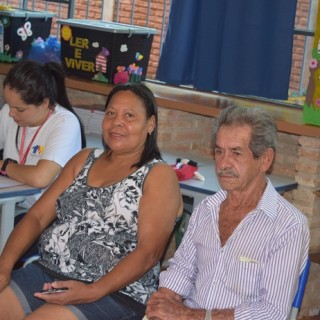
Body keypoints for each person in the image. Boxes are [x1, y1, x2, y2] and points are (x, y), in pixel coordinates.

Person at [0, 82, 183, 320]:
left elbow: (149, 252)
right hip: (49, 272)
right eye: (111, 113)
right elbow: (36, 217)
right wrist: (4, 265)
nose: (117, 122)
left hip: (115, 291)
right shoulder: (85, 159)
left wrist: (91, 291)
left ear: (150, 124)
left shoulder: (158, 175)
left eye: (129, 115)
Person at [146, 105, 310, 320]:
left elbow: (270, 312)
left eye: (236, 152)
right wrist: (162, 307)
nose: (223, 164)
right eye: (219, 151)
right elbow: (182, 270)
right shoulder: (207, 208)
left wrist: (187, 315)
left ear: (265, 160)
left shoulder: (288, 225)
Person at [0, 59, 86, 208]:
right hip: (11, 204)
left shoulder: (65, 123)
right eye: (8, 104)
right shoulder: (10, 111)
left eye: (20, 109)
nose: (11, 113)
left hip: (44, 215)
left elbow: (41, 178)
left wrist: (4, 166)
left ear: (45, 104)